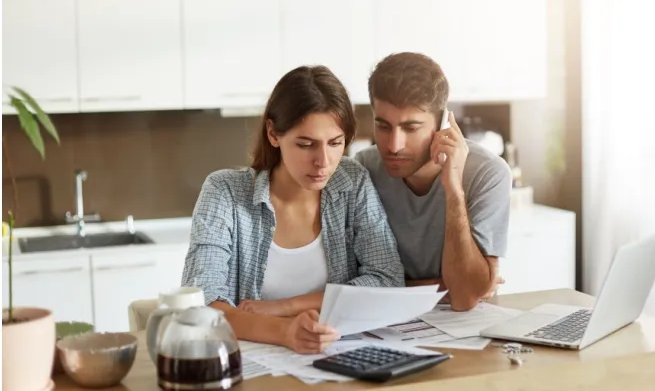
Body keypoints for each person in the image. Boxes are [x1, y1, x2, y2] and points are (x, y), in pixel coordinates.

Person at [181, 65, 405, 354]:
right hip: (250, 363)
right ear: (273, 134)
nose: (323, 162)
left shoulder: (353, 182)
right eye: (306, 144)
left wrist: (285, 307)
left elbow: (387, 279)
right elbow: (201, 301)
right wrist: (285, 331)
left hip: (331, 356)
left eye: (335, 143)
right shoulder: (225, 192)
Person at [354, 52, 512, 312]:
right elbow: (353, 285)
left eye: (411, 128)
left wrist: (453, 190)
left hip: (464, 325)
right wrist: (442, 287)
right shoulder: (363, 169)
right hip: (384, 319)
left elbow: (464, 298)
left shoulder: (488, 173)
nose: (394, 146)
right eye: (383, 127)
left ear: (441, 124)